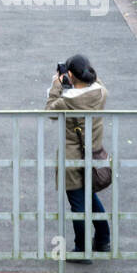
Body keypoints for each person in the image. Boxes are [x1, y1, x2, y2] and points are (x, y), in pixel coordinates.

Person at [46, 54, 110, 257]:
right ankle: (102, 240)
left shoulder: (68, 100)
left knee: (78, 205)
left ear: (71, 75)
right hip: (94, 153)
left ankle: (82, 249)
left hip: (72, 158)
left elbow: (49, 110)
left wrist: (57, 84)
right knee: (90, 197)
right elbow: (94, 83)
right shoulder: (101, 92)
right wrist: (74, 79)